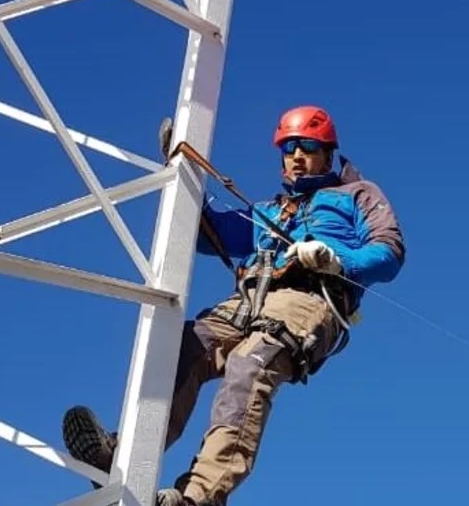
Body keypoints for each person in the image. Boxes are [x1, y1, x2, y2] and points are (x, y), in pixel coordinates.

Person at [60, 105, 405, 506]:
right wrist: (184, 175)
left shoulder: (357, 195)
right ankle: (118, 458)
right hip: (250, 297)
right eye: (288, 148)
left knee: (250, 364)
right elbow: (211, 232)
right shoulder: (271, 211)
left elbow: (389, 252)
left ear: (328, 151)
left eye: (307, 146)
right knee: (183, 346)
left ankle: (199, 497)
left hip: (308, 298)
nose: (296, 155)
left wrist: (335, 257)